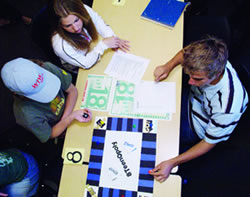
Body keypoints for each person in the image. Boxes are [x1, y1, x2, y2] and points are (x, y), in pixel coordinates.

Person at [149, 36, 248, 182]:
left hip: (194, 124)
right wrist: (167, 66)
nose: (190, 81)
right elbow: (185, 54)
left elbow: (208, 143)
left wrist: (172, 162)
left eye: (197, 79)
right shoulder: (212, 59)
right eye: (189, 75)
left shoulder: (227, 107)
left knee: (154, 134)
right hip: (192, 100)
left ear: (218, 72)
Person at [1, 58, 92, 143]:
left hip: (73, 107)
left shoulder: (47, 67)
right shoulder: (26, 115)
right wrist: (70, 118)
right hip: (63, 128)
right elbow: (51, 134)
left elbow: (72, 90)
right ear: (17, 93)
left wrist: (68, 117)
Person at [50, 0, 130, 74]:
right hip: (80, 66)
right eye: (68, 26)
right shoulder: (61, 46)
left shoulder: (82, 9)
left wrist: (112, 38)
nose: (76, 28)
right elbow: (86, 63)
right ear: (60, 26)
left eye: (77, 20)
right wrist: (103, 45)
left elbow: (98, 22)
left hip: (91, 46)